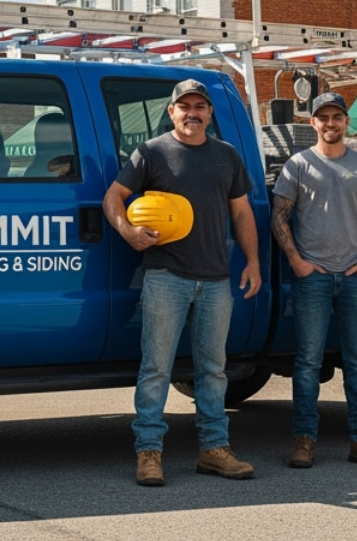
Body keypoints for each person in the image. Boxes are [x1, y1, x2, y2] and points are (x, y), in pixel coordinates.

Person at [104, 78, 262, 487]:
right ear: (171, 111)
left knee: (213, 371)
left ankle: (214, 450)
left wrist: (253, 261)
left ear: (210, 113)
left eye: (200, 106)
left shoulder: (227, 156)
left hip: (215, 280)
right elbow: (113, 198)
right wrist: (127, 232)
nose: (193, 112)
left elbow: (242, 213)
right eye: (184, 106)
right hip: (166, 277)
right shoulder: (151, 152)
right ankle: (149, 453)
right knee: (156, 368)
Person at [271, 91, 357, 471]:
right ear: (313, 123)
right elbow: (279, 217)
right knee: (307, 363)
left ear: (346, 121)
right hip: (313, 279)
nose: (330, 123)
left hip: (356, 277)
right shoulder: (298, 165)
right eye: (323, 117)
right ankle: (304, 441)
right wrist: (297, 261)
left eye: (336, 116)